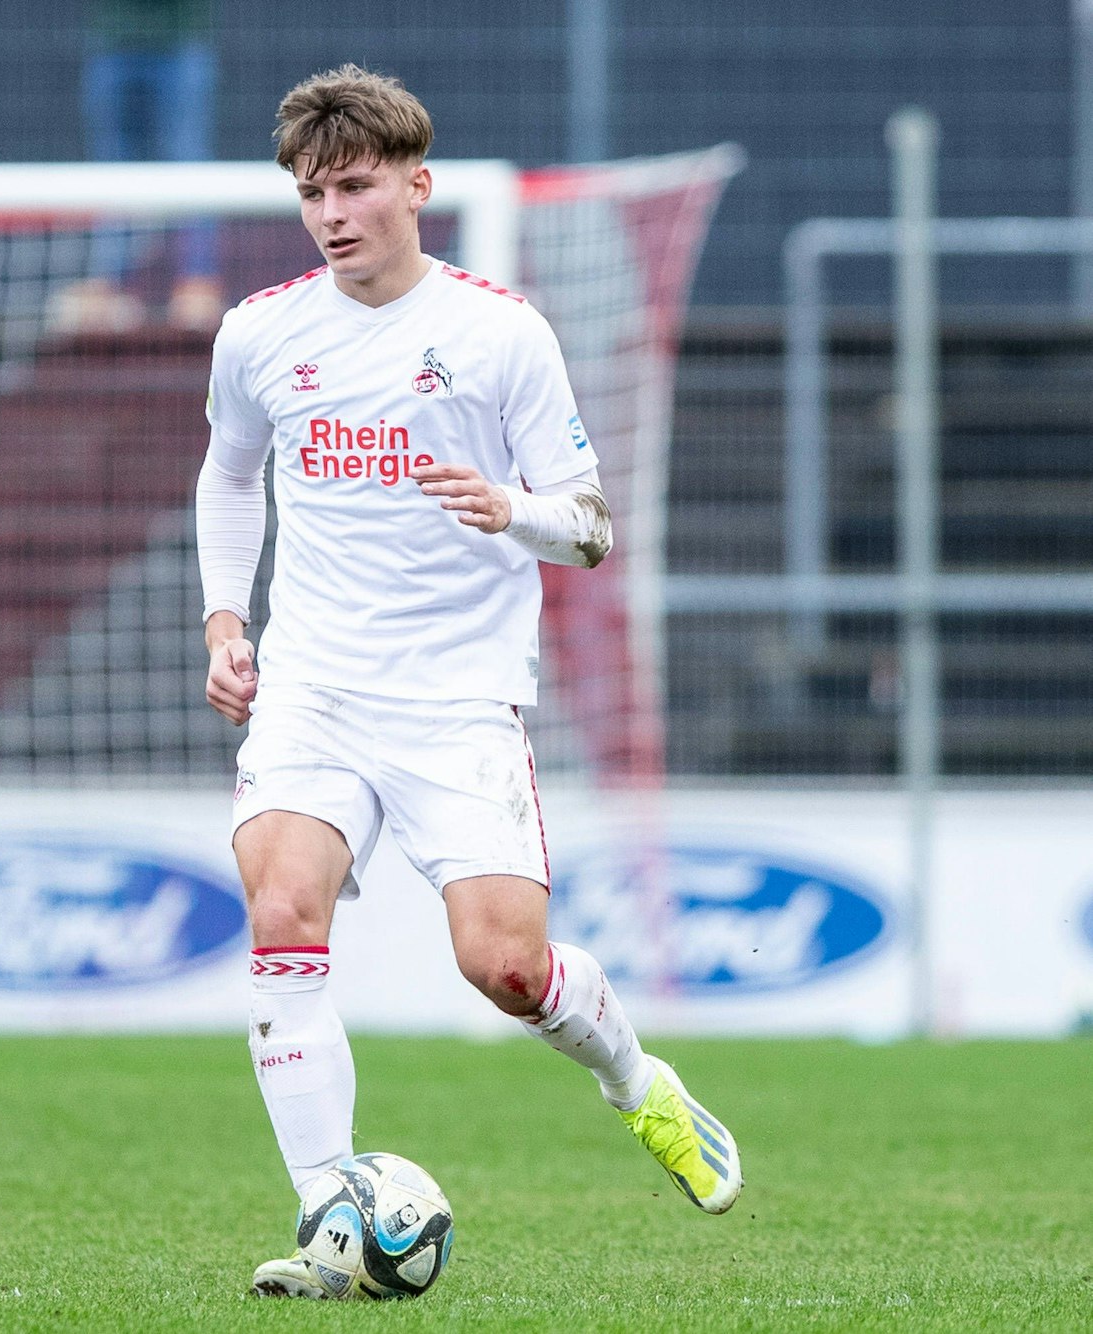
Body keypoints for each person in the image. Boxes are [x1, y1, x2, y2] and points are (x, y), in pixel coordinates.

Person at [193, 64, 743, 1299]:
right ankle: (330, 1214)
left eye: (354, 186)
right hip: (313, 686)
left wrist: (508, 507)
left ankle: (638, 1081)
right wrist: (228, 621)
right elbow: (229, 476)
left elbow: (592, 525)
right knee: (283, 906)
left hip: (456, 698)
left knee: (505, 966)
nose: (332, 214)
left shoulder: (501, 333)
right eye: (311, 193)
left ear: (416, 185)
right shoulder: (262, 331)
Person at [51, 0, 226, 331]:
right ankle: (109, 284)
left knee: (189, 164)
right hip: (113, 42)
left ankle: (197, 282)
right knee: (113, 170)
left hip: (179, 41)